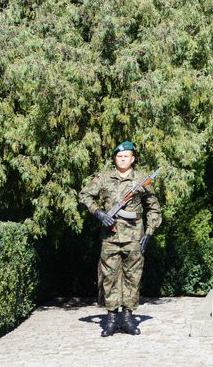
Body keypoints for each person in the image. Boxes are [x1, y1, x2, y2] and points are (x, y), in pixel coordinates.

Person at [78, 140, 161, 337]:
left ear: (132, 159)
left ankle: (127, 317)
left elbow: (154, 208)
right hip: (110, 238)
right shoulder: (104, 178)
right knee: (109, 277)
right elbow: (84, 196)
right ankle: (112, 318)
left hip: (134, 238)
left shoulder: (141, 180)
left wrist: (149, 233)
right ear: (115, 158)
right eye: (119, 156)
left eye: (126, 156)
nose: (123, 159)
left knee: (133, 277)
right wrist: (98, 213)